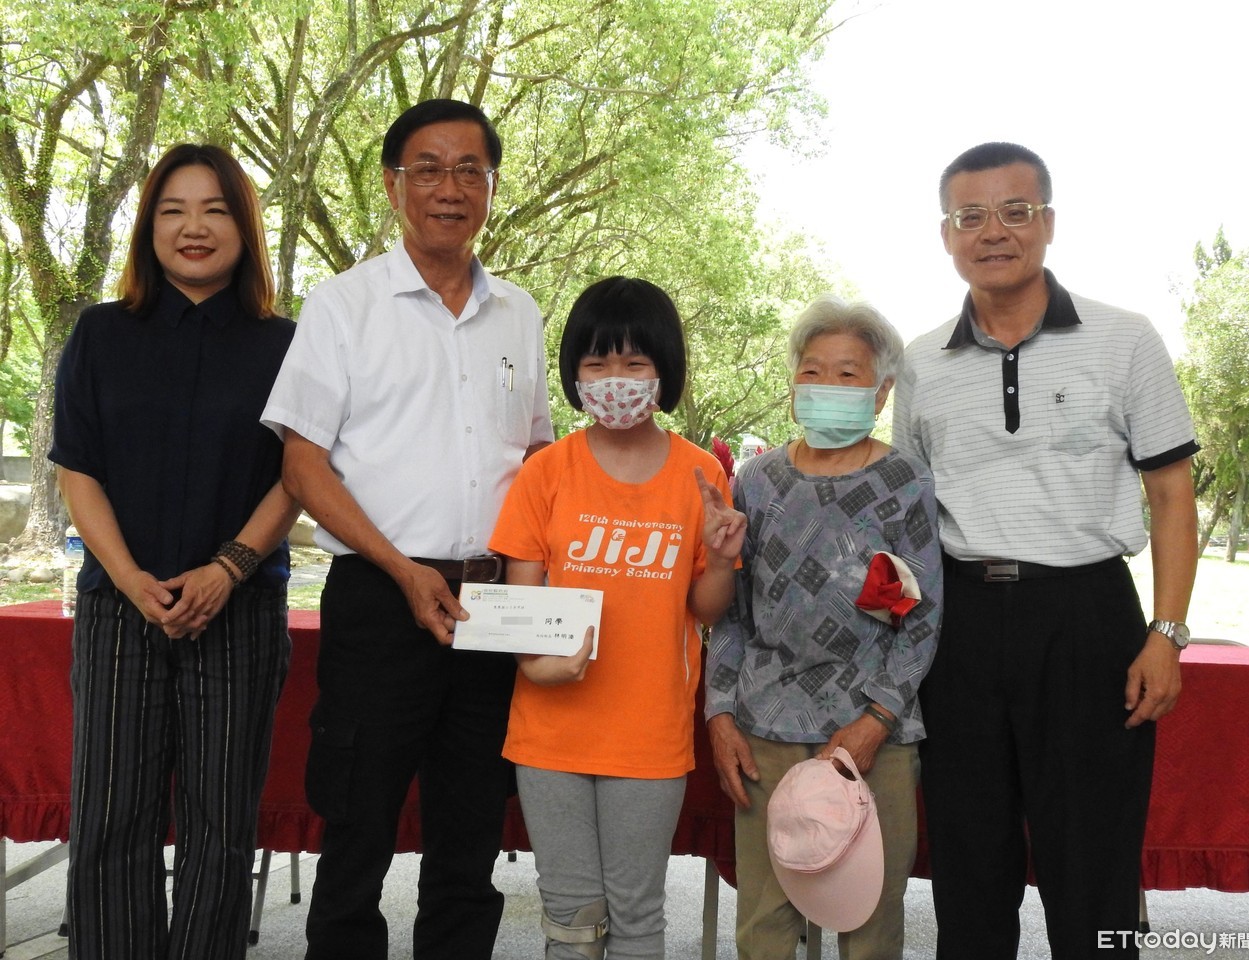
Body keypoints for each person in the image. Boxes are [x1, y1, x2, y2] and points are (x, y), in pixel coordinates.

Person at [260, 98, 554, 960]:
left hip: (492, 604)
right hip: (380, 598)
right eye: (427, 168)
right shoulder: (344, 305)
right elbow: (302, 465)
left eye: (469, 170)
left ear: (490, 187)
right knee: (357, 824)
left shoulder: (520, 313)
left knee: (471, 829)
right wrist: (400, 568)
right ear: (393, 186)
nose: (448, 188)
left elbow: (538, 458)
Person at [891, 142, 1199, 959]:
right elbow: (910, 514)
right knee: (968, 865)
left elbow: (1173, 496)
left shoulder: (1125, 339)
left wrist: (1167, 635)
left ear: (1049, 222)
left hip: (1087, 618)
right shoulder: (921, 363)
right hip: (959, 627)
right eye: (970, 216)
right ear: (946, 234)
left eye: (1015, 211)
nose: (993, 231)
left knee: (1094, 866)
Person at [49, 143, 299, 960]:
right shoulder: (100, 333)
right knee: (109, 820)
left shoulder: (285, 345)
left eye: (215, 210)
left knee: (220, 827)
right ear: (148, 228)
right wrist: (129, 580)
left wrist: (229, 568)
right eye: (174, 210)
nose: (195, 227)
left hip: (239, 609)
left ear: (245, 228)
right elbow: (77, 469)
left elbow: (299, 475)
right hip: (120, 609)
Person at [488, 275, 745, 959]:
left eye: (634, 362)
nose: (615, 379)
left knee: (637, 916)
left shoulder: (701, 476)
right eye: (597, 362)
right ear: (575, 373)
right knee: (571, 918)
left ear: (665, 371)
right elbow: (521, 603)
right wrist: (536, 665)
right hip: (549, 733)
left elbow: (705, 607)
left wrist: (722, 560)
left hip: (649, 733)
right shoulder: (545, 472)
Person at [706, 294, 942, 960]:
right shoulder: (757, 480)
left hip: (873, 736)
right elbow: (731, 613)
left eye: (848, 373)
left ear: (881, 390)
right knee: (763, 925)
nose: (827, 385)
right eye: (812, 371)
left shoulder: (906, 481)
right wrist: (721, 714)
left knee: (869, 924)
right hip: (764, 731)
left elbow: (922, 617)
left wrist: (877, 720)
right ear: (792, 384)